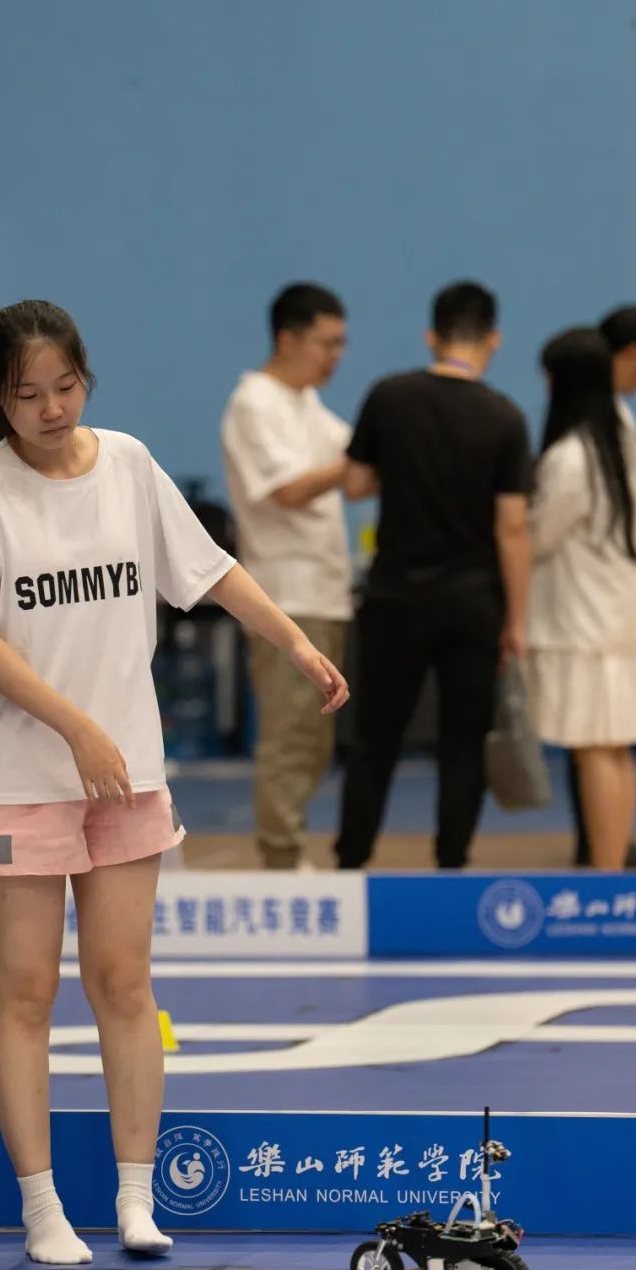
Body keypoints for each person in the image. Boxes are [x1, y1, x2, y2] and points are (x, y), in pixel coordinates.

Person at [0, 299, 349, 1265]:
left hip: (126, 778)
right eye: (28, 394)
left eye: (66, 386)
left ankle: (136, 1197)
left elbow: (212, 570)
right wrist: (75, 727)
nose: (51, 408)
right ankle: (42, 1208)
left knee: (124, 983)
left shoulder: (128, 464)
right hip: (17, 780)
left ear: (87, 378)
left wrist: (292, 642)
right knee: (25, 992)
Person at [335, 281, 532, 869]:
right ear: (493, 339)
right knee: (464, 740)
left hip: (395, 596)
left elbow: (354, 484)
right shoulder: (506, 417)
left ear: (432, 336)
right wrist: (517, 620)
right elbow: (513, 528)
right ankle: (452, 861)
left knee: (375, 738)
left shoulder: (389, 396)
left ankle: (353, 860)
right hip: (474, 601)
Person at [221, 283, 352, 869]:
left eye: (342, 344)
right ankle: (279, 860)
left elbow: (358, 473)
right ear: (287, 339)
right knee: (291, 734)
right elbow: (291, 490)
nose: (335, 357)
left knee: (315, 739)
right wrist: (366, 455)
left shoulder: (308, 404)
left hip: (325, 591)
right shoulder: (255, 403)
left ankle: (288, 850)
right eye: (327, 343)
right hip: (285, 598)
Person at [528, 328, 636, 868]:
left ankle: (605, 877)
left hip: (584, 624)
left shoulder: (571, 457)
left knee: (595, 751)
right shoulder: (612, 443)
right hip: (619, 617)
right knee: (615, 750)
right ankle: (612, 870)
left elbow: (539, 536)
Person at [566, 306, 636, 865]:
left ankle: (607, 854)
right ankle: (603, 860)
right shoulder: (594, 423)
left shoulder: (607, 419)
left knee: (609, 742)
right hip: (597, 605)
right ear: (631, 355)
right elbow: (611, 507)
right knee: (599, 739)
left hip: (611, 602)